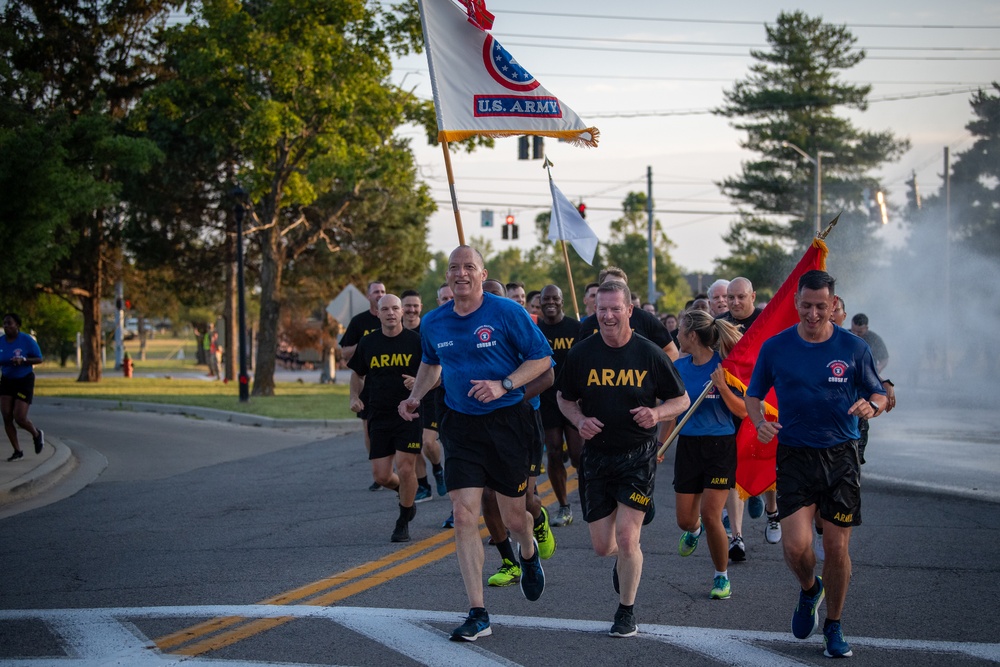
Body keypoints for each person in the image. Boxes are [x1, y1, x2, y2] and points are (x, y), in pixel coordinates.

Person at [399, 246, 552, 642]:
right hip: (460, 425)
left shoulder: (507, 313)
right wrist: (416, 396)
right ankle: (478, 611)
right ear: (447, 276)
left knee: (515, 519)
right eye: (454, 268)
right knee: (465, 513)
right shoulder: (434, 323)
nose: (461, 273)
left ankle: (529, 553)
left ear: (483, 274)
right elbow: (432, 364)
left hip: (507, 424)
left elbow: (542, 359)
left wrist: (503, 384)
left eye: (469, 267)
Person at [745, 270, 887, 659]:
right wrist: (759, 423)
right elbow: (753, 394)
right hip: (794, 454)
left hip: (841, 456)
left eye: (821, 307)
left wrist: (871, 405)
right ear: (795, 303)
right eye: (806, 305)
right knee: (795, 547)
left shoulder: (854, 348)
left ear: (834, 306)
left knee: (838, 550)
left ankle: (834, 625)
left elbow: (879, 391)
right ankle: (810, 590)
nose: (812, 313)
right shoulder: (776, 347)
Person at [557, 281, 690, 638]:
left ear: (630, 310)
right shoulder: (582, 354)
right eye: (602, 309)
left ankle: (626, 610)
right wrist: (580, 420)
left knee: (629, 539)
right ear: (594, 310)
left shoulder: (649, 353)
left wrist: (657, 414)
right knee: (604, 547)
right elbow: (564, 398)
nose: (608, 315)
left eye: (616, 308)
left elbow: (681, 400)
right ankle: (623, 559)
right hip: (597, 457)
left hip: (637, 455)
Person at [668, 309, 744, 600]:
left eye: (680, 330)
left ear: (692, 336)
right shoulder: (679, 366)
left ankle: (721, 577)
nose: (676, 335)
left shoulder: (724, 365)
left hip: (720, 446)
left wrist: (723, 386)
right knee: (686, 521)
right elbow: (671, 411)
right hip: (687, 445)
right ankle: (694, 531)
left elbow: (742, 411)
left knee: (712, 514)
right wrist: (661, 447)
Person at [348, 295, 424, 542]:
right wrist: (354, 397)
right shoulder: (368, 343)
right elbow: (358, 375)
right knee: (381, 476)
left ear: (402, 312)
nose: (390, 313)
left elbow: (434, 372)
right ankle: (408, 498)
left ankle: (403, 520)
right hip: (378, 414)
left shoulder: (416, 341)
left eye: (394, 308)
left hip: (409, 414)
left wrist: (419, 383)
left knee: (405, 467)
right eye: (385, 309)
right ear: (377, 314)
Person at [719, 276, 777, 554]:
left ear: (753, 296)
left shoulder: (767, 321)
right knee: (733, 467)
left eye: (741, 297)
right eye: (731, 297)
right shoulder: (719, 324)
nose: (735, 302)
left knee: (765, 457)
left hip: (765, 402)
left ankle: (773, 511)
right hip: (731, 402)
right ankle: (737, 537)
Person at [536, 284, 583, 527]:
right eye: (546, 299)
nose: (550, 302)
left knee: (577, 455)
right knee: (553, 452)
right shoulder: (535, 330)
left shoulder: (577, 328)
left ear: (562, 300)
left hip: (573, 398)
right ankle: (564, 506)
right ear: (540, 302)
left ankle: (589, 495)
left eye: (555, 298)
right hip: (546, 398)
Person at [400, 289, 447, 503]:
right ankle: (423, 486)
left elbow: (438, 364)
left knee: (428, 443)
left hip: (430, 394)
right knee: (414, 444)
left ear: (421, 307)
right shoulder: (394, 333)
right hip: (403, 397)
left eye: (415, 305)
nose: (411, 309)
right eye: (407, 305)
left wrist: (418, 383)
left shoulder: (428, 329)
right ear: (401, 308)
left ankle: (438, 469)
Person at [578, 267, 679, 361]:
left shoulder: (646, 320)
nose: (609, 316)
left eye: (619, 287)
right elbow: (580, 357)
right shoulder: (588, 324)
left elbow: (672, 351)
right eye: (609, 286)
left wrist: (649, 373)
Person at [340, 281, 386, 491]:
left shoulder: (393, 317)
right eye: (376, 292)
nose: (380, 294)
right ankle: (378, 472)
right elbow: (345, 354)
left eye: (383, 291)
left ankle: (393, 466)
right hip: (368, 384)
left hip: (393, 383)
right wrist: (368, 342)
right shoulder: (359, 322)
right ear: (368, 296)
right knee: (369, 430)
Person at [1, 313, 45, 461]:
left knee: (19, 417)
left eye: (9, 323)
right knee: (6, 415)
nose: (6, 326)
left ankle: (37, 434)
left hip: (24, 380)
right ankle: (17, 451)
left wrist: (24, 360)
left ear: (17, 325)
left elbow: (39, 358)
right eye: (5, 324)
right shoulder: (1, 342)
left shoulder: (26, 340)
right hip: (7, 380)